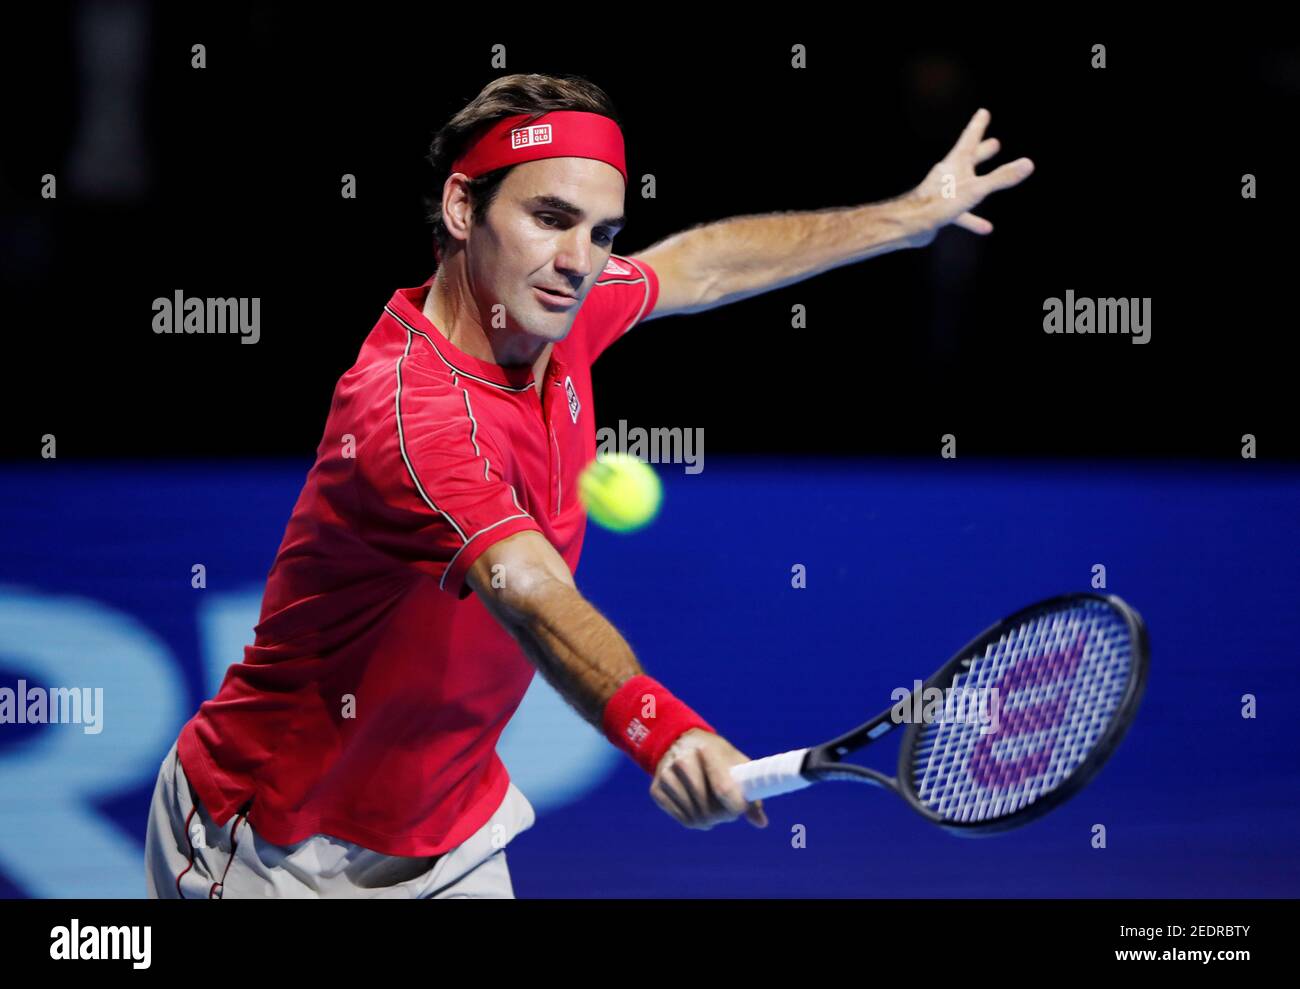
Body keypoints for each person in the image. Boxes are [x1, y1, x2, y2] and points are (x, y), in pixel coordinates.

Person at [145, 72, 1033, 899]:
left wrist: (909, 216)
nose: (579, 260)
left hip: (450, 828)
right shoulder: (414, 417)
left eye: (602, 232)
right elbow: (531, 594)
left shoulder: (550, 311)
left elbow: (705, 264)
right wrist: (662, 727)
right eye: (550, 217)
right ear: (463, 206)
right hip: (273, 847)